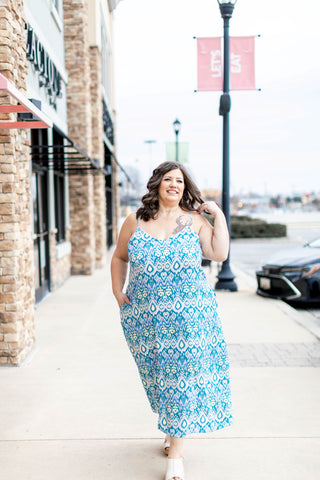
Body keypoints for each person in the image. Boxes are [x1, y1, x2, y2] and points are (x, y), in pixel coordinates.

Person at [111, 161, 233, 480]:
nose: (174, 185)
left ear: (185, 188)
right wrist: (117, 290)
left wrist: (216, 214)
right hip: (147, 318)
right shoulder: (135, 221)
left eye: (180, 181)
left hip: (190, 319)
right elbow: (119, 257)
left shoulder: (193, 221)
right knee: (157, 379)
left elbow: (219, 253)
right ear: (157, 184)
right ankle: (171, 429)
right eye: (168, 179)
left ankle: (176, 458)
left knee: (178, 379)